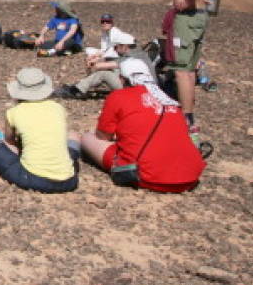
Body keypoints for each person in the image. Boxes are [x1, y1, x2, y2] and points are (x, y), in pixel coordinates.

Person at [80, 58, 206, 192]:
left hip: (146, 175)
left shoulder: (119, 96)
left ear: (122, 79)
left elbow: (103, 136)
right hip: (190, 176)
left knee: (88, 138)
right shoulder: (169, 100)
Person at [161, 0, 233, 132]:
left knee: (182, 71)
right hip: (201, 17)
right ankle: (189, 114)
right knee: (190, 69)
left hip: (187, 17)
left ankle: (187, 119)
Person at [0, 68, 80, 193]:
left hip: (32, 178)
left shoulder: (14, 112)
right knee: (73, 135)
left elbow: (9, 141)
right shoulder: (58, 108)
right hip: (69, 181)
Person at [55, 27, 143, 100]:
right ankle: (80, 86)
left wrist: (94, 64)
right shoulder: (137, 54)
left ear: (125, 46)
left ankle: (77, 90)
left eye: (116, 46)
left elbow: (104, 65)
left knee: (103, 74)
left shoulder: (129, 58)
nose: (115, 49)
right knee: (109, 70)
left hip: (131, 91)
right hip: (136, 88)